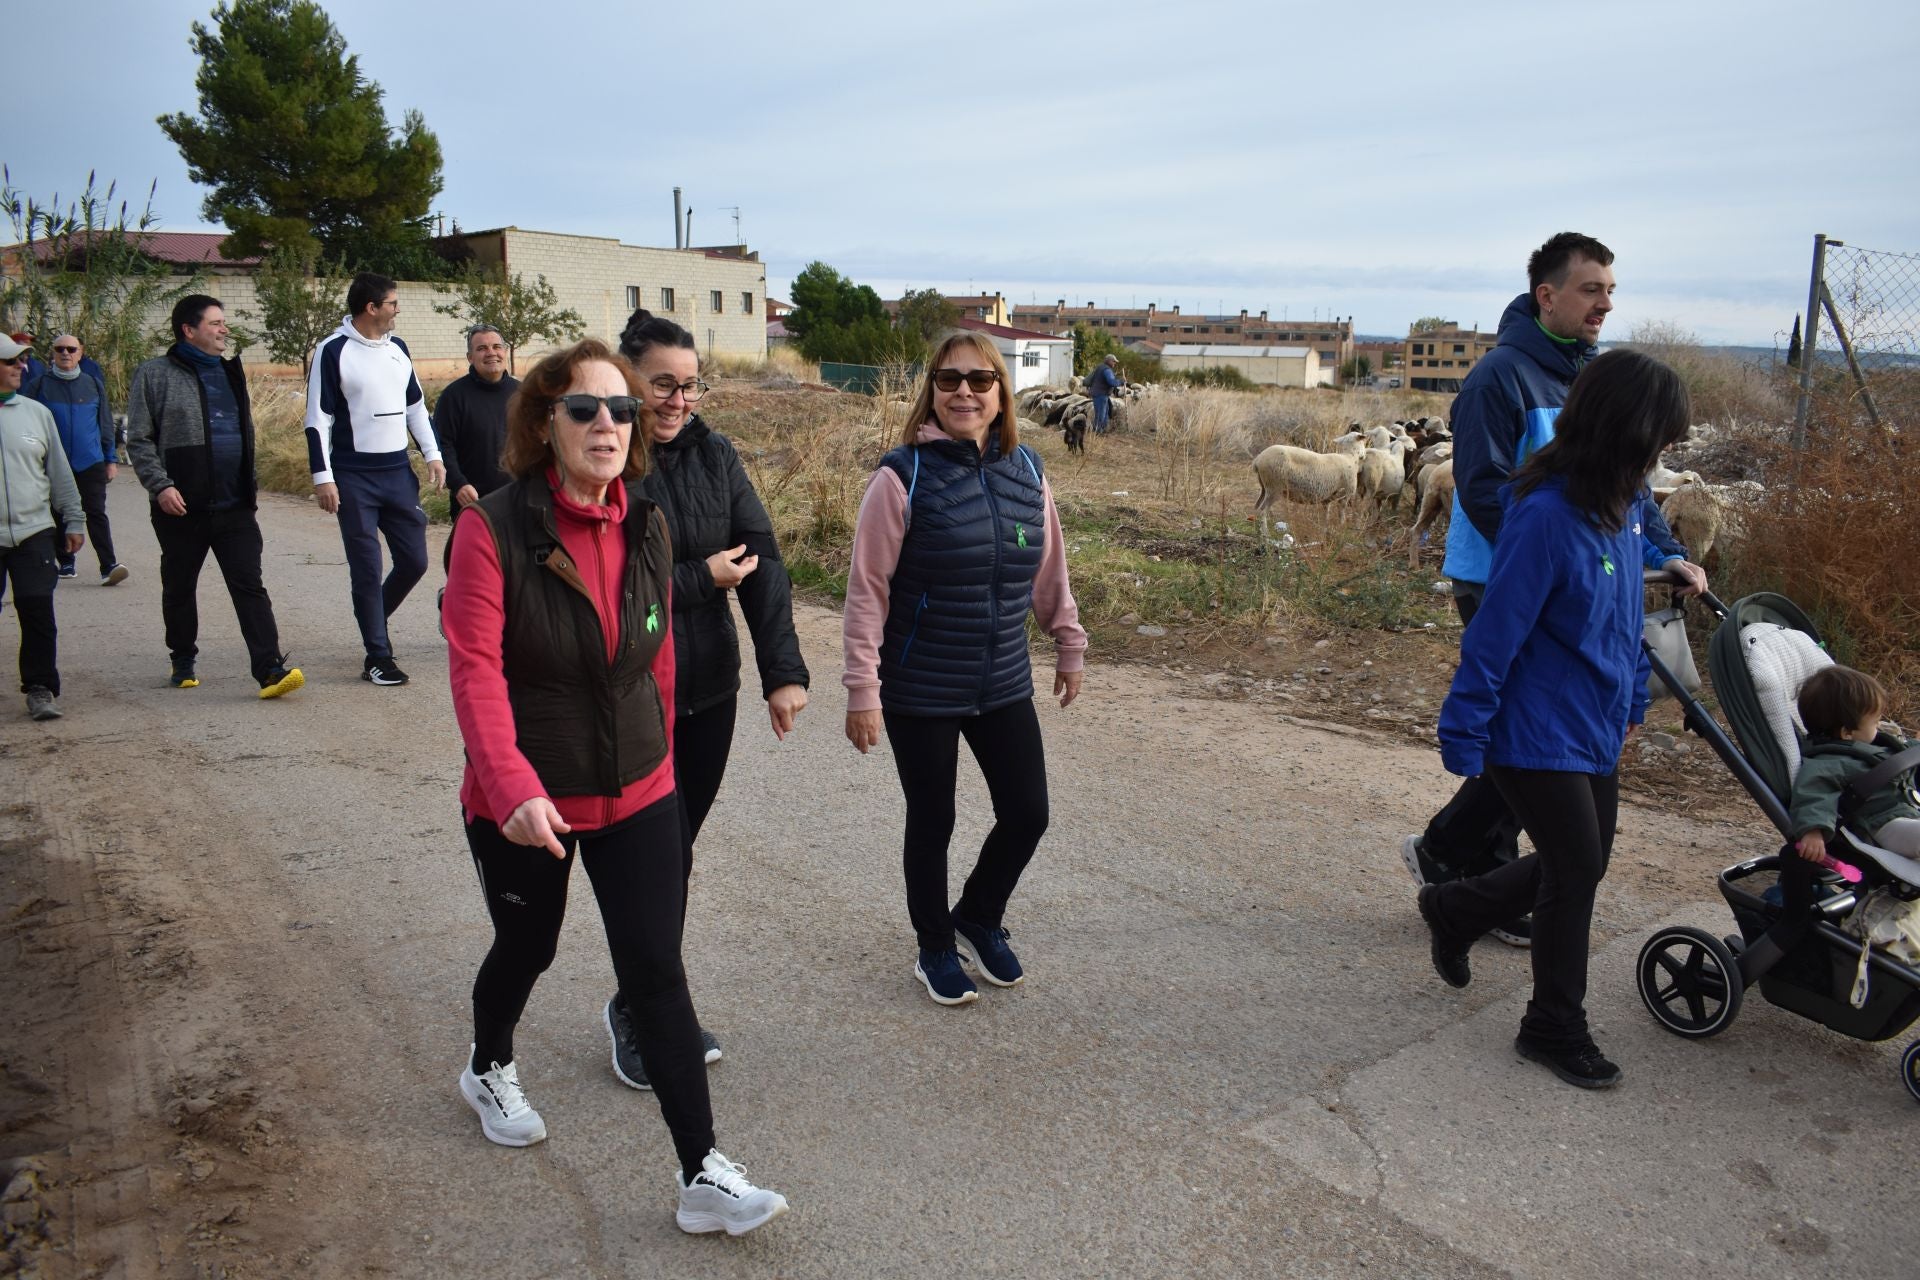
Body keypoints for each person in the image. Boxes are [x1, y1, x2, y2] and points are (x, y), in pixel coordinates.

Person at [442, 338, 787, 1236]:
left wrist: (664, 770)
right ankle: (487, 1065)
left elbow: (656, 659)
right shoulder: (493, 528)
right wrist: (510, 784)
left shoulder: (648, 521)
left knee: (656, 970)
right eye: (585, 408)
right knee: (528, 946)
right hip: (528, 803)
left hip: (637, 790)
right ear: (543, 422)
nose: (608, 424)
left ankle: (703, 1174)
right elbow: (475, 670)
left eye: (621, 410)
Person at [1401, 231, 1708, 949]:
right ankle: (1486, 875)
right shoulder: (1498, 379)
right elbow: (1481, 489)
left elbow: (1625, 482)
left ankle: (1449, 851)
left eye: (1610, 290)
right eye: (1591, 289)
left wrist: (1666, 550)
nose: (1605, 303)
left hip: (1571, 573)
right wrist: (1556, 555)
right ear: (1548, 295)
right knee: (1533, 732)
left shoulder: (1589, 374)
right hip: (1504, 574)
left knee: (1543, 736)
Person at [1417, 348, 1693, 1090]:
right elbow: (1496, 631)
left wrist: (1634, 696)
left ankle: (1455, 908)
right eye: (1660, 438)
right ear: (1626, 430)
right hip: (1529, 725)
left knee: (1586, 861)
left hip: (1591, 721)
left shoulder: (1625, 507)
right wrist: (1465, 728)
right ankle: (1552, 1026)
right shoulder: (1545, 515)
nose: (1665, 455)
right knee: (1575, 871)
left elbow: (1627, 615)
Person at [843, 331, 1087, 1006]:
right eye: (950, 381)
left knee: (1028, 813)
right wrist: (862, 688)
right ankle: (934, 946)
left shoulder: (1028, 471)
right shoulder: (901, 476)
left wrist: (1068, 640)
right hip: (920, 683)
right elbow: (868, 592)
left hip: (1002, 677)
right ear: (932, 390)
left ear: (1000, 393)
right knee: (934, 818)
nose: (965, 393)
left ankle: (977, 917)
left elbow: (1048, 571)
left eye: (980, 381)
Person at [599, 310, 811, 1085]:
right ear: (626, 379)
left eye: (690, 386)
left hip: (707, 690)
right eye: (663, 384)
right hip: (627, 694)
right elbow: (597, 585)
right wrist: (700, 579)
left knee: (675, 854)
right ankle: (644, 1012)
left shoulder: (715, 454)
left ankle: (647, 998)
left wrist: (781, 672)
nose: (678, 400)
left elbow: (762, 560)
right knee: (651, 862)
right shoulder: (603, 454)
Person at [126, 296, 303, 698]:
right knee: (179, 585)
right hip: (180, 506)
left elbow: (246, 436)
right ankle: (182, 657)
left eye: (224, 323)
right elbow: (138, 438)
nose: (225, 330)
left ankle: (270, 669)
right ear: (189, 330)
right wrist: (161, 485)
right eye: (216, 323)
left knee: (249, 585)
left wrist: (249, 486)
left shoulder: (230, 373)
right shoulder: (155, 374)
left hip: (234, 505)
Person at [305, 271, 446, 686]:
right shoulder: (332, 351)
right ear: (371, 308)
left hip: (397, 473)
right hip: (352, 476)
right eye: (392, 303)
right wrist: (322, 477)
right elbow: (317, 420)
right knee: (367, 568)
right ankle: (378, 656)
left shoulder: (398, 349)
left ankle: (372, 620)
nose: (397, 309)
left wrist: (433, 455)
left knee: (415, 561)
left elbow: (416, 408)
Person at [0, 334, 84, 720]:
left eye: (22, 361)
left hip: (34, 531)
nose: (21, 367)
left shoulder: (36, 413)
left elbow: (59, 473)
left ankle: (40, 688)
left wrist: (74, 518)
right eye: (11, 362)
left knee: (37, 610)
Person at [24, 335, 127, 585]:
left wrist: (110, 459)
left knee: (95, 512)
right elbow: (27, 424)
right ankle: (66, 562)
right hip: (53, 462)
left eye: (71, 349)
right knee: (58, 512)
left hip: (89, 460)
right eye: (60, 349)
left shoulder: (92, 384)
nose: (66, 353)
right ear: (52, 354)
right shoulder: (39, 386)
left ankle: (108, 565)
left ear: (80, 353)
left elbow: (104, 423)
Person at [1789, 665, 1920, 860]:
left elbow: (1903, 751)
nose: (1879, 727)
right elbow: (1813, 793)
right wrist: (1813, 831)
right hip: (1882, 825)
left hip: (1907, 811)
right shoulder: (1830, 762)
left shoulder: (1870, 745)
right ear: (1847, 732)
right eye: (1875, 723)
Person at [432, 325, 518, 509]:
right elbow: (442, 445)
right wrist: (458, 484)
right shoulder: (453, 396)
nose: (491, 353)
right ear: (470, 357)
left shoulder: (522, 394)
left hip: (517, 498)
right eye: (481, 348)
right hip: (472, 499)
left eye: (496, 347)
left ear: (504, 351)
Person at [1084, 353, 1125, 435]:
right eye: (1114, 361)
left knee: (1104, 412)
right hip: (1101, 394)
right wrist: (1121, 381)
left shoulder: (1100, 367)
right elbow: (1111, 382)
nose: (1115, 363)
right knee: (1101, 414)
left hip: (1098, 393)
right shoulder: (1107, 370)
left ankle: (1102, 430)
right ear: (1109, 361)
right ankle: (1098, 432)